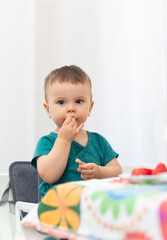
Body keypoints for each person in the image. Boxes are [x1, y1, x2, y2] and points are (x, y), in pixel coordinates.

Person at [32, 65, 122, 198]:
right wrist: (64, 140)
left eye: (79, 101)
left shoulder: (99, 141)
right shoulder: (47, 142)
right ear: (48, 110)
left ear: (90, 107)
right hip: (58, 210)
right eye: (61, 102)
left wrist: (99, 172)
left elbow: (117, 172)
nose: (71, 108)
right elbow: (49, 175)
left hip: (92, 207)